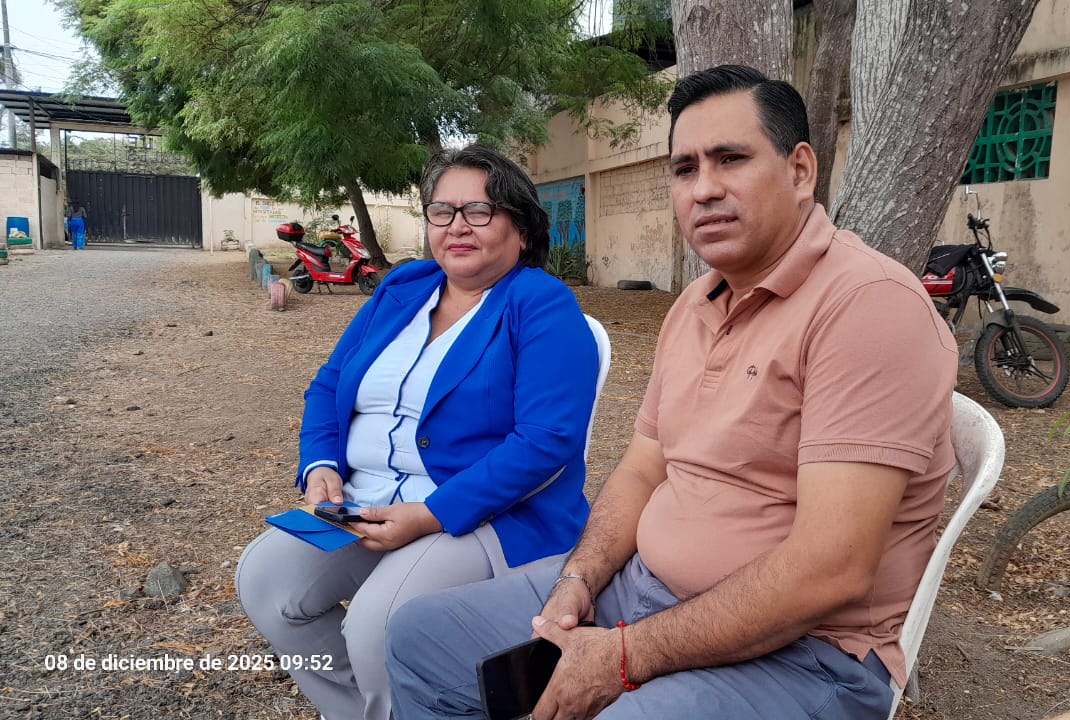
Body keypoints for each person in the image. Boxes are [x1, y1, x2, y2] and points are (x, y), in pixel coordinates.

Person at [385, 65, 959, 720]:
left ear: (801, 171)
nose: (704, 188)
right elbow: (641, 470)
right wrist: (579, 577)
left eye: (731, 159)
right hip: (638, 592)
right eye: (685, 169)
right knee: (421, 639)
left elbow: (831, 569)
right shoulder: (695, 305)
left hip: (803, 652)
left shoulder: (868, 306)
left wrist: (625, 655)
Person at [236, 145, 601, 720]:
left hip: (477, 513)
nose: (457, 226)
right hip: (364, 500)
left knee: (380, 626)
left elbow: (546, 440)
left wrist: (432, 513)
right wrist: (321, 464)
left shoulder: (541, 303)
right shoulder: (403, 287)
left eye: (479, 211)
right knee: (266, 581)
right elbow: (329, 385)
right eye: (442, 211)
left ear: (522, 229)